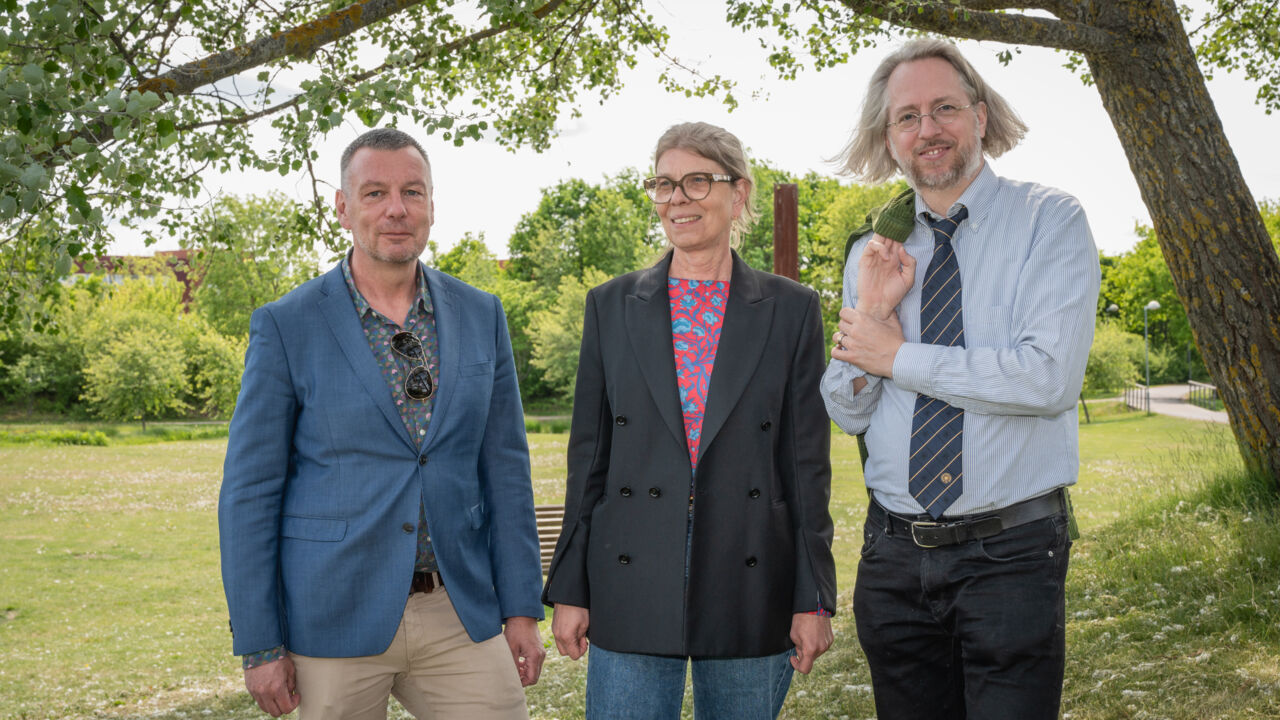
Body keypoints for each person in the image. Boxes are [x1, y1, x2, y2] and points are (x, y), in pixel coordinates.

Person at [218, 127, 545, 720]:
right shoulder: (286, 325)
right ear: (343, 208)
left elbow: (506, 471)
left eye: (412, 192)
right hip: (332, 615)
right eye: (374, 193)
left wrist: (521, 608)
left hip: (457, 610)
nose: (396, 209)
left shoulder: (481, 313)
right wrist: (260, 644)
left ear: (431, 206)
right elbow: (250, 492)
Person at [822, 39, 1100, 720]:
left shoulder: (1050, 221)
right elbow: (845, 409)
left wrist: (897, 357)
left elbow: (1047, 380)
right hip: (892, 556)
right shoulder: (875, 248)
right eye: (907, 117)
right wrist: (878, 314)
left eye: (944, 107)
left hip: (1010, 554)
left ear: (979, 115)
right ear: (889, 139)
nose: (928, 130)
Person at [541, 121, 837, 720]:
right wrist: (569, 588)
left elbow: (806, 466)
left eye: (698, 181)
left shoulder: (792, 310)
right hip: (631, 574)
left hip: (750, 575)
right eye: (665, 184)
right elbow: (589, 460)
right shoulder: (610, 305)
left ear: (740, 193)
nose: (678, 198)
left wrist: (813, 597)